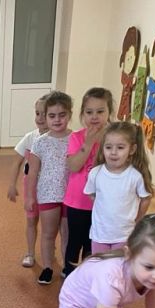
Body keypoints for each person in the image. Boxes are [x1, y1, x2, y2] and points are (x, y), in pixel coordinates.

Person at [62, 88, 114, 278]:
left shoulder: (115, 138)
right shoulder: (76, 137)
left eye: (100, 111)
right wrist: (89, 143)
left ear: (109, 112)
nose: (94, 116)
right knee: (74, 242)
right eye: (89, 112)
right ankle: (70, 277)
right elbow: (74, 166)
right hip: (78, 201)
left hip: (104, 203)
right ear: (82, 114)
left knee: (95, 244)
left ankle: (90, 278)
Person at [25, 91, 73, 284]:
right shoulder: (40, 142)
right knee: (48, 233)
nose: (57, 120)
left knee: (67, 234)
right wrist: (30, 197)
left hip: (70, 195)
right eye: (52, 116)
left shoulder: (76, 138)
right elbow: (32, 172)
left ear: (69, 115)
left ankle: (68, 266)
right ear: (46, 117)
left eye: (62, 115)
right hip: (47, 194)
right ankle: (47, 267)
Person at [86, 122, 153, 253]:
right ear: (102, 148)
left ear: (132, 149)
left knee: (119, 265)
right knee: (99, 264)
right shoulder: (95, 173)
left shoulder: (135, 176)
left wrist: (138, 219)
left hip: (124, 235)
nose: (113, 152)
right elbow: (92, 195)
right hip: (100, 234)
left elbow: (146, 198)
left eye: (120, 147)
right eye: (108, 147)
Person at [7, 95, 50, 267]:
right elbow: (16, 162)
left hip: (51, 187)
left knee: (50, 223)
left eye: (45, 114)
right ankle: (30, 253)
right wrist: (12, 184)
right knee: (31, 220)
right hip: (31, 186)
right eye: (37, 113)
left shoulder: (60, 138)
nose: (40, 118)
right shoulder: (30, 137)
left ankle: (50, 249)